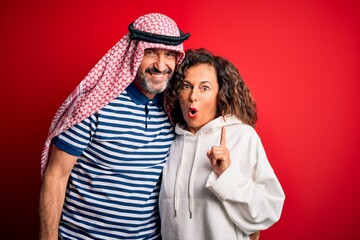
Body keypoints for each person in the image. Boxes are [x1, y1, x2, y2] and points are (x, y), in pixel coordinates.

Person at [39, 13, 190, 239]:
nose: (161, 65)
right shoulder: (93, 105)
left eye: (169, 54)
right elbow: (56, 176)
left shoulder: (174, 109)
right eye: (150, 53)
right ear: (133, 53)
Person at [159, 48, 285, 240]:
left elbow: (268, 211)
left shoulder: (243, 136)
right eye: (186, 86)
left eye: (204, 88)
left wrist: (227, 175)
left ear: (220, 94)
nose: (193, 96)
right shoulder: (169, 141)